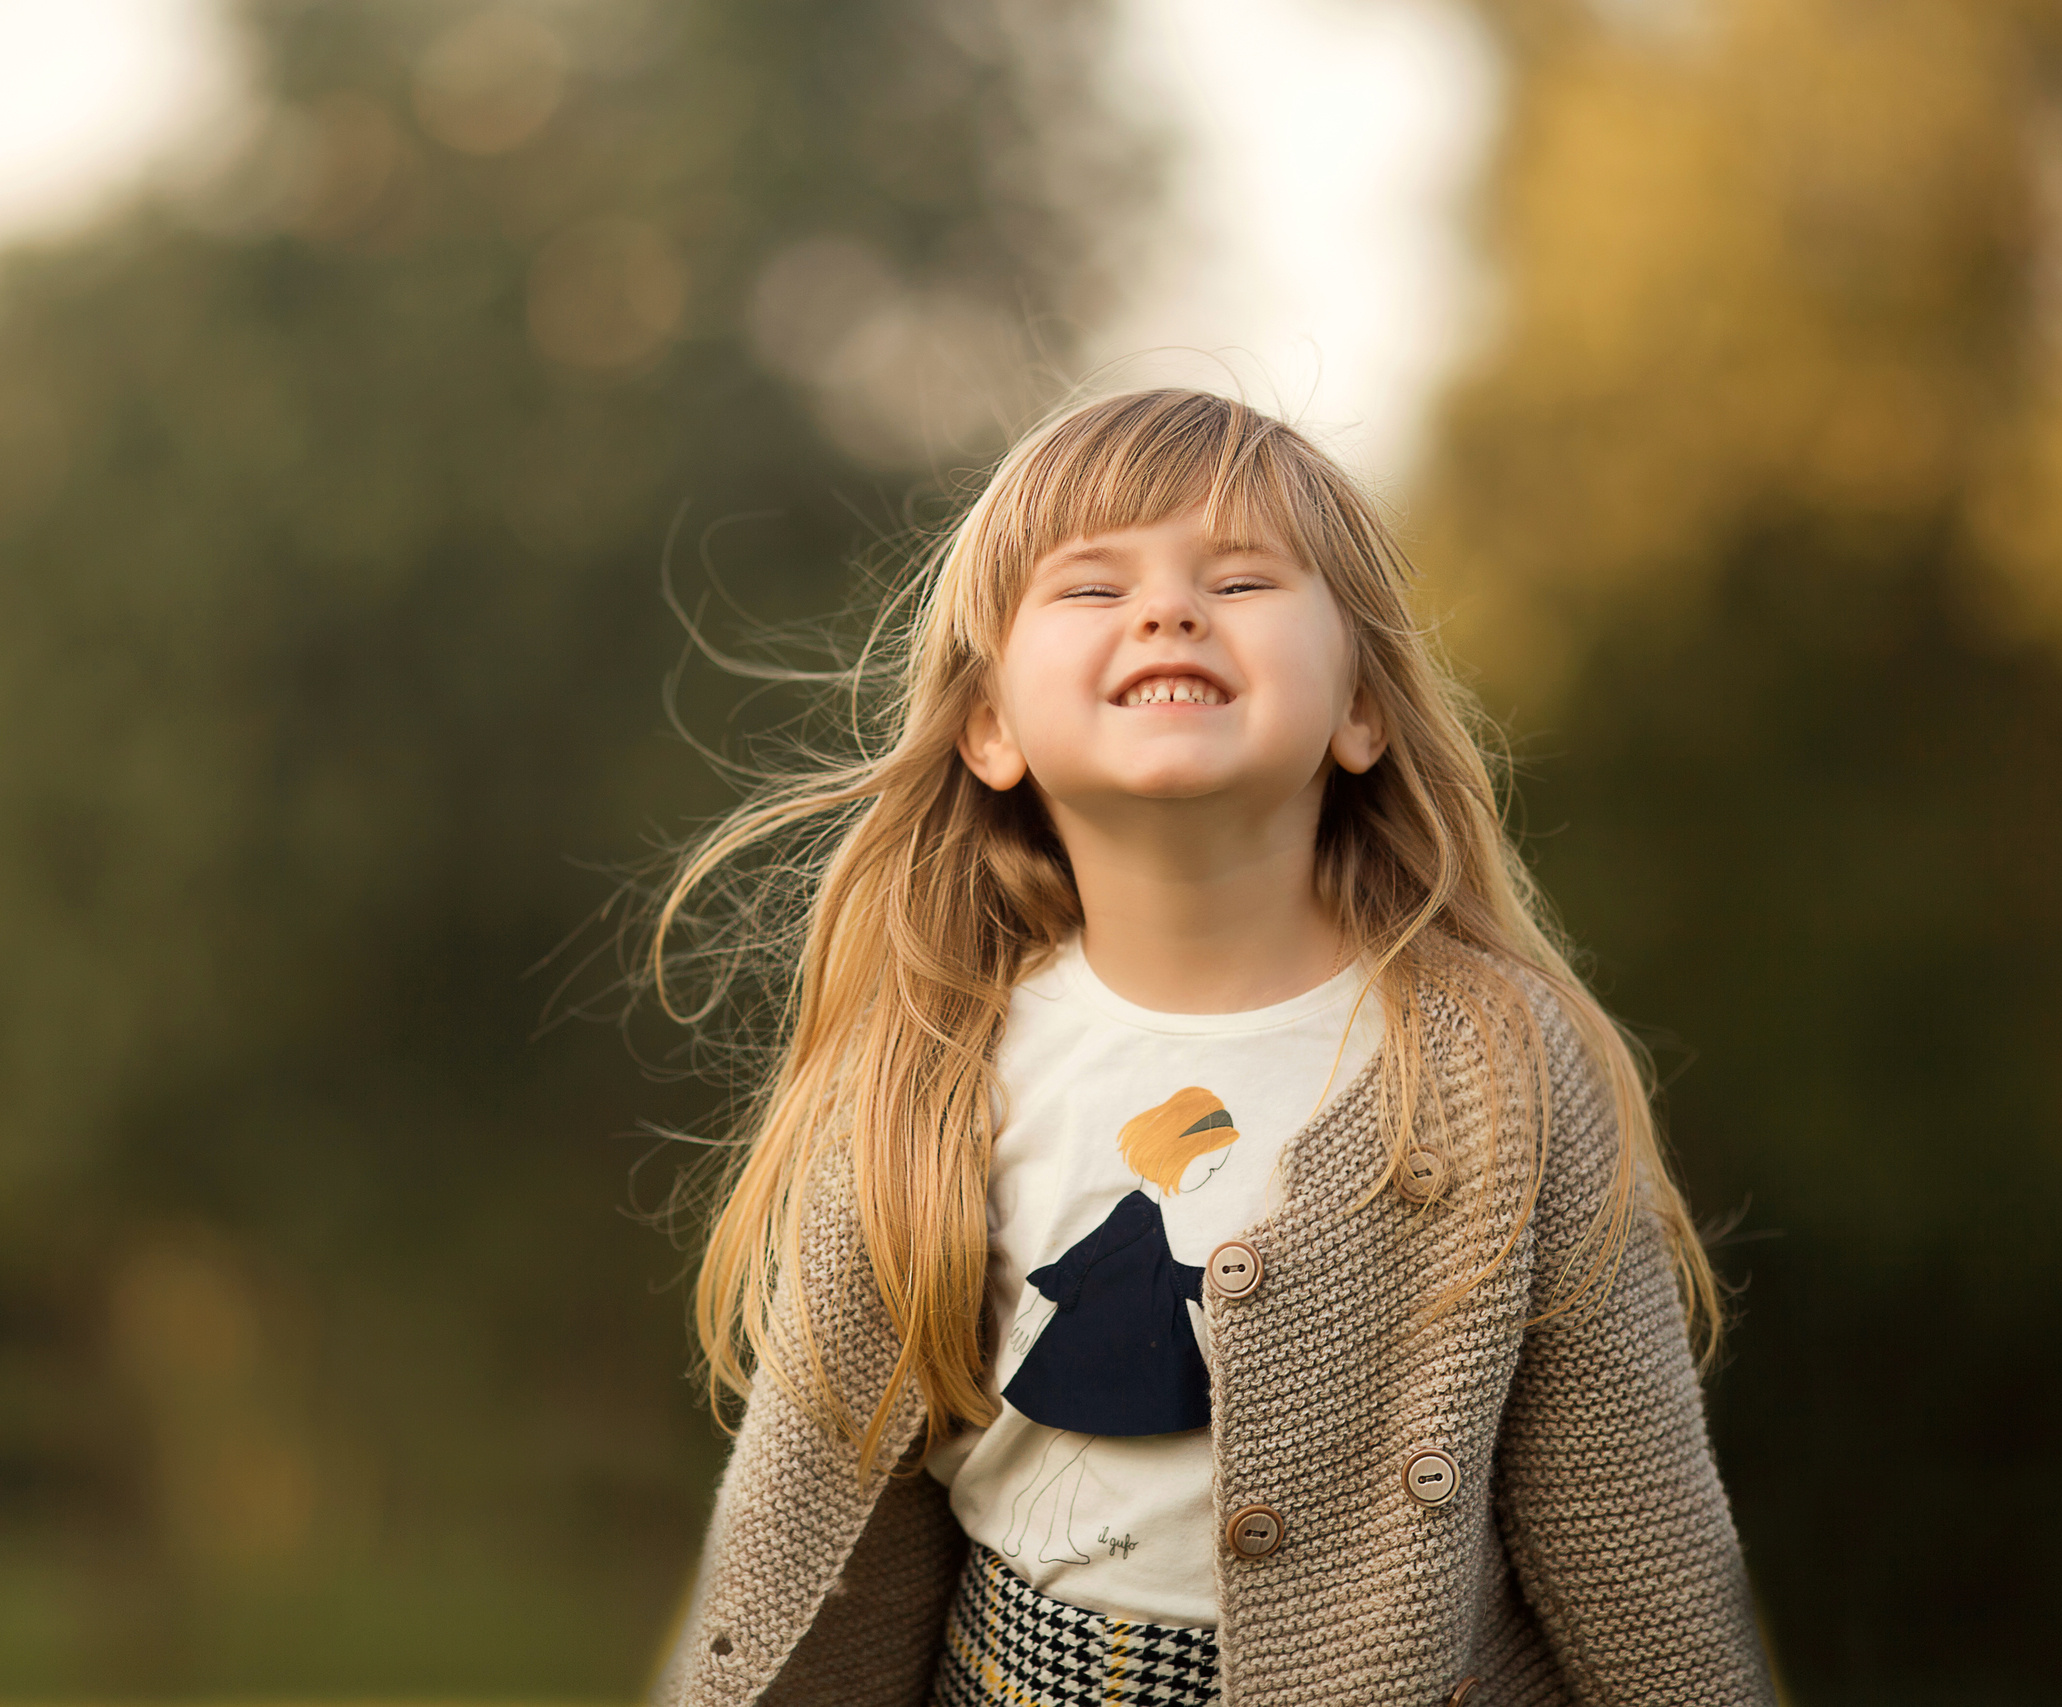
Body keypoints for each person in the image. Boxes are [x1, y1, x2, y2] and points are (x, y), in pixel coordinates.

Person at [647, 389, 1772, 1706]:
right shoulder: (928, 1065)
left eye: (1239, 579)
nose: (1170, 611)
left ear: (1362, 712)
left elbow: (1637, 1528)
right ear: (991, 727)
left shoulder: (1506, 1069)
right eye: (1090, 587)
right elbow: (798, 1501)